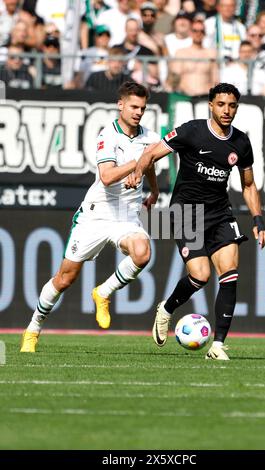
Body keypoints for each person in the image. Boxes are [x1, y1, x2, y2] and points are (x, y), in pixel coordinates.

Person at [127, 82, 265, 361]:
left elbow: (249, 185)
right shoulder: (192, 131)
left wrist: (258, 220)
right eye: (221, 104)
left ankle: (217, 346)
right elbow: (150, 154)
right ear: (211, 105)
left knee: (230, 273)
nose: (227, 110)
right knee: (201, 275)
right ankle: (166, 309)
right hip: (185, 213)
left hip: (220, 213)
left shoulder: (241, 142)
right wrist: (138, 175)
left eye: (232, 105)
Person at [20, 81, 160, 352]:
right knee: (64, 278)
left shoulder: (151, 139)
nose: (138, 112)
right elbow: (107, 177)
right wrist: (138, 162)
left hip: (126, 216)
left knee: (142, 253)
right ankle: (33, 329)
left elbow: (150, 165)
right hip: (97, 214)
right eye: (133, 106)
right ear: (120, 105)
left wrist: (153, 190)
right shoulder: (108, 134)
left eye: (142, 108)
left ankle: (103, 292)